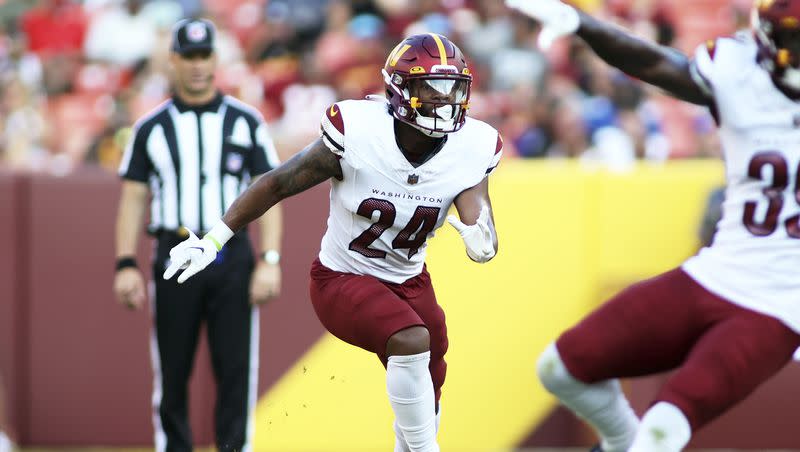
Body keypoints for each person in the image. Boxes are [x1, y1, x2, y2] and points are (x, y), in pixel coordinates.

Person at [163, 33, 503, 452]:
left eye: (451, 87)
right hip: (342, 278)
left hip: (410, 279)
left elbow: (478, 212)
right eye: (429, 87)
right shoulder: (360, 131)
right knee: (412, 339)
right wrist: (214, 240)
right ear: (400, 89)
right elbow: (278, 182)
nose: (442, 99)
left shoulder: (473, 145)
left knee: (432, 357)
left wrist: (483, 240)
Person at [506, 0, 800, 450]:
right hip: (717, 271)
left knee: (665, 425)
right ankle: (620, 443)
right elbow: (653, 63)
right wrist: (582, 23)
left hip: (781, 303)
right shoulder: (740, 76)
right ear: (769, 41)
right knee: (559, 368)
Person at [113, 18, 283, 452]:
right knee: (172, 369)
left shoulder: (246, 121)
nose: (197, 65)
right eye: (187, 56)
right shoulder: (150, 128)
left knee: (235, 369)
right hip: (174, 252)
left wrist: (270, 260)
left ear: (215, 57)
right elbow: (133, 197)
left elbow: (271, 191)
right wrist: (125, 263)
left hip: (230, 252)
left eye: (204, 54)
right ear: (173, 60)